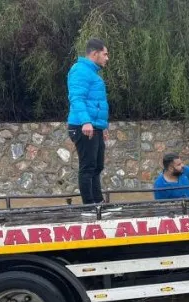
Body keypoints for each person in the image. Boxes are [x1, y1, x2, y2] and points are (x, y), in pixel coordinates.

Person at [66, 38, 110, 205]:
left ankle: (98, 203)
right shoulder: (80, 70)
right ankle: (89, 207)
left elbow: (97, 103)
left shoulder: (91, 73)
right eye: (105, 54)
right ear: (94, 53)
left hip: (94, 126)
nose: (107, 58)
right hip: (82, 126)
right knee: (88, 167)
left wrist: (102, 126)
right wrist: (86, 121)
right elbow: (77, 98)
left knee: (97, 167)